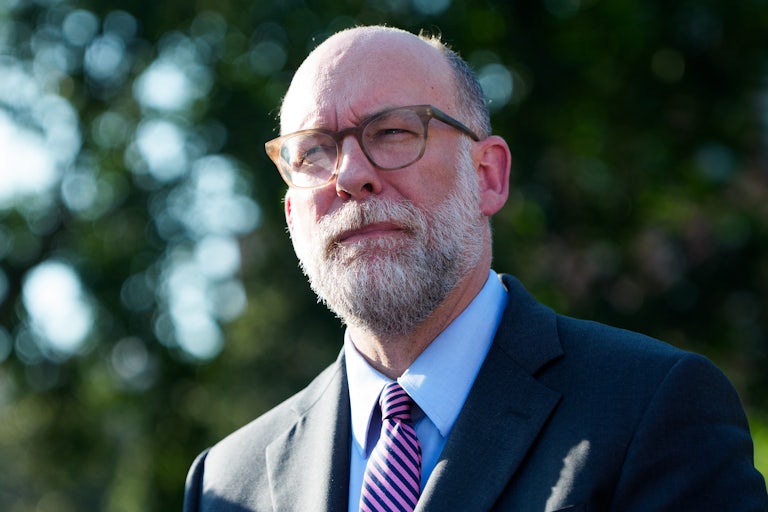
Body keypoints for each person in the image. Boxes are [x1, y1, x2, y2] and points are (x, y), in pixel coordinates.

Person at [184, 25, 768, 511]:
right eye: (313, 152)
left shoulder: (654, 410)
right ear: (292, 215)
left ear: (488, 175)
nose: (349, 175)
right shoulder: (226, 484)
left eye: (391, 132)